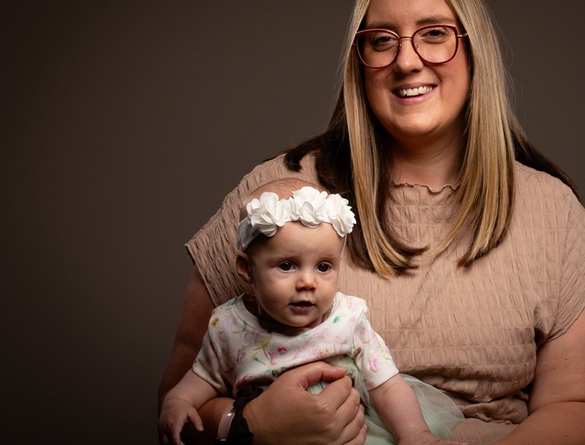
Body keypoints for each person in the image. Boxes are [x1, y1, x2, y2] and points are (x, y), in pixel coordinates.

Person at [158, 0, 585, 444]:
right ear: (361, 62)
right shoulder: (276, 195)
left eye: (435, 34)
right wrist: (249, 427)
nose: (406, 61)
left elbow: (582, 404)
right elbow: (181, 400)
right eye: (381, 41)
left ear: (474, 47)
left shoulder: (552, 211)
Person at [158, 179, 464, 445]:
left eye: (323, 266)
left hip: (352, 431)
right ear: (246, 269)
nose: (308, 282)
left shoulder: (347, 318)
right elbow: (202, 378)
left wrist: (415, 434)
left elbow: (386, 384)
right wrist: (178, 400)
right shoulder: (228, 326)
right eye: (287, 265)